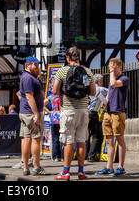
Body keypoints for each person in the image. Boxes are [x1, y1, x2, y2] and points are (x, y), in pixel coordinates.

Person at [52, 47, 95, 180]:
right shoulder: (86, 72)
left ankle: (65, 172)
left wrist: (63, 93)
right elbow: (93, 92)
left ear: (68, 57)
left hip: (68, 110)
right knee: (81, 141)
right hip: (83, 110)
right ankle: (81, 172)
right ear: (79, 57)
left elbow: (54, 91)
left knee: (68, 142)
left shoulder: (62, 71)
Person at [96, 58, 129, 176]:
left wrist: (111, 72)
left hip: (118, 112)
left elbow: (115, 84)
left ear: (120, 67)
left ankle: (121, 167)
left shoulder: (124, 79)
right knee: (109, 141)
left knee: (120, 139)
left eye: (113, 67)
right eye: (110, 67)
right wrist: (105, 101)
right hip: (108, 111)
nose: (111, 69)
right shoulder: (111, 80)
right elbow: (110, 92)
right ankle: (109, 167)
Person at [19, 56, 49, 176]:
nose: (37, 67)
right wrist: (36, 113)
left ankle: (26, 168)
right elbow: (29, 97)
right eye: (34, 65)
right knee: (35, 139)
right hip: (31, 113)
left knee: (26, 139)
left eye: (37, 64)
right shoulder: (27, 78)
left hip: (27, 112)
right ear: (28, 65)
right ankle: (36, 167)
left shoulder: (30, 77)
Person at [86, 74, 108, 162]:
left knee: (86, 136)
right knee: (96, 135)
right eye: (102, 81)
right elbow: (112, 91)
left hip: (85, 113)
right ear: (99, 81)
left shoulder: (88, 89)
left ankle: (84, 155)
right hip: (93, 113)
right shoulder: (100, 89)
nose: (102, 82)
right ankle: (91, 156)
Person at [44, 92, 63, 162]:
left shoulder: (51, 97)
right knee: (64, 138)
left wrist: (49, 111)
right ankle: (63, 156)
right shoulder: (64, 96)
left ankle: (56, 156)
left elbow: (42, 104)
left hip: (54, 118)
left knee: (55, 138)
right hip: (63, 117)